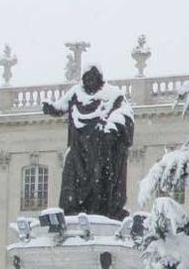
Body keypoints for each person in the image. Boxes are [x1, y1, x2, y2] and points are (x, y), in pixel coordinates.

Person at [42, 65, 135, 219]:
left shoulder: (113, 94)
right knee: (70, 175)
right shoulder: (76, 93)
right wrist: (50, 108)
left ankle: (98, 209)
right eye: (87, 78)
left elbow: (125, 115)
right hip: (79, 148)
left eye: (92, 78)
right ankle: (71, 209)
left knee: (99, 176)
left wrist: (112, 129)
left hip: (99, 149)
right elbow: (61, 106)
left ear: (99, 79)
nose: (89, 81)